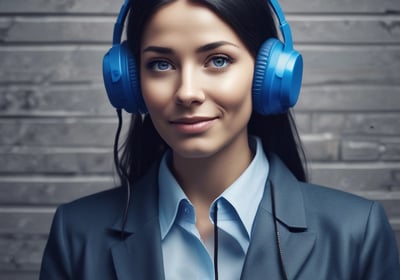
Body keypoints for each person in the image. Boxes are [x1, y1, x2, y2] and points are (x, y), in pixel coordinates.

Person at [39, 0, 400, 279]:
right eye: (161, 64)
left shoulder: (356, 232)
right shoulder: (77, 233)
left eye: (218, 60)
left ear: (270, 74)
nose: (188, 93)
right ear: (131, 84)